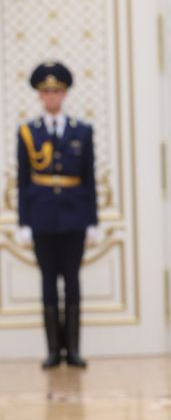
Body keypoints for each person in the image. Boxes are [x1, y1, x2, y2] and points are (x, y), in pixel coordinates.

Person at [18, 62, 98, 369]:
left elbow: (88, 178)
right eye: (46, 92)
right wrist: (24, 222)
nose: (52, 97)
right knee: (49, 282)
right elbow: (23, 181)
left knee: (73, 282)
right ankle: (53, 350)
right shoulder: (28, 132)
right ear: (40, 96)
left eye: (57, 91)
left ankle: (73, 350)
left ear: (64, 94)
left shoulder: (82, 131)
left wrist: (92, 221)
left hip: (74, 218)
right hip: (41, 218)